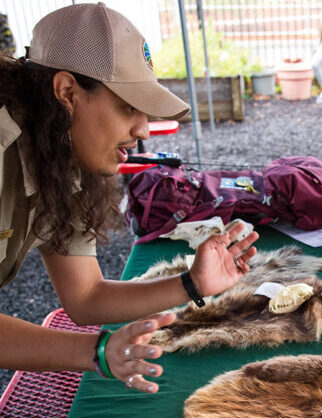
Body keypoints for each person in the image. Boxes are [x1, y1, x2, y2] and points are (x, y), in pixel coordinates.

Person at [0, 2, 258, 394]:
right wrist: (97, 350)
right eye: (127, 108)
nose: (144, 131)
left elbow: (86, 297)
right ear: (67, 92)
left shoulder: (60, 147)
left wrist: (192, 283)